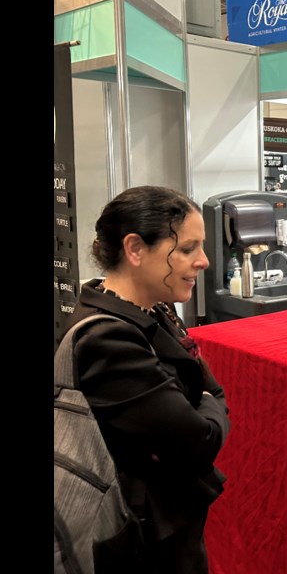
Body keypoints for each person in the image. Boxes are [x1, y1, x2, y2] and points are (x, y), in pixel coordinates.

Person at [68, 185, 230, 573]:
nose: (204, 261)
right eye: (188, 249)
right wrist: (209, 401)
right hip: (141, 542)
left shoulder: (154, 312)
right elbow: (200, 439)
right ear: (135, 249)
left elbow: (208, 399)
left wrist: (206, 401)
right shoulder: (108, 339)